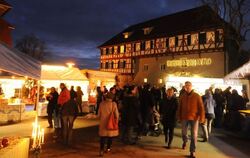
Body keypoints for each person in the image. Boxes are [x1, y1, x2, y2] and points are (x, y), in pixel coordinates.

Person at [178, 81, 205, 158]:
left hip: (194, 118)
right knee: (183, 133)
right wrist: (179, 117)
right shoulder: (182, 96)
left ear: (191, 86)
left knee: (194, 135)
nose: (187, 87)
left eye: (189, 85)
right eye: (186, 86)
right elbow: (179, 107)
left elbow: (201, 108)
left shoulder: (197, 96)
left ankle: (192, 151)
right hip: (184, 117)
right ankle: (185, 141)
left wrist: (202, 117)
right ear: (184, 87)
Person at [98, 92, 119, 156]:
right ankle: (108, 149)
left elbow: (99, 114)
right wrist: (117, 121)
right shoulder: (113, 104)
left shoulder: (101, 104)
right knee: (110, 137)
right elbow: (116, 114)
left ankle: (101, 150)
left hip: (103, 122)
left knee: (102, 137)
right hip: (111, 123)